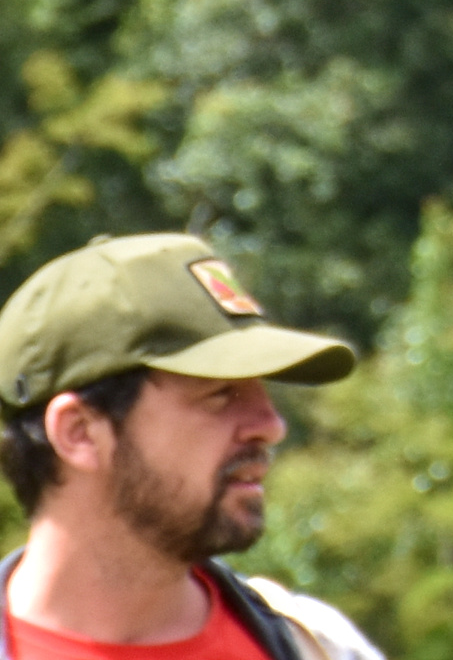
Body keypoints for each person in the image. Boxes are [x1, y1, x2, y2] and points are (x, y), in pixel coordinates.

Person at [0, 234, 381, 660]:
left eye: (263, 390)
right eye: (220, 394)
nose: (271, 426)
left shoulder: (319, 647)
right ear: (80, 433)